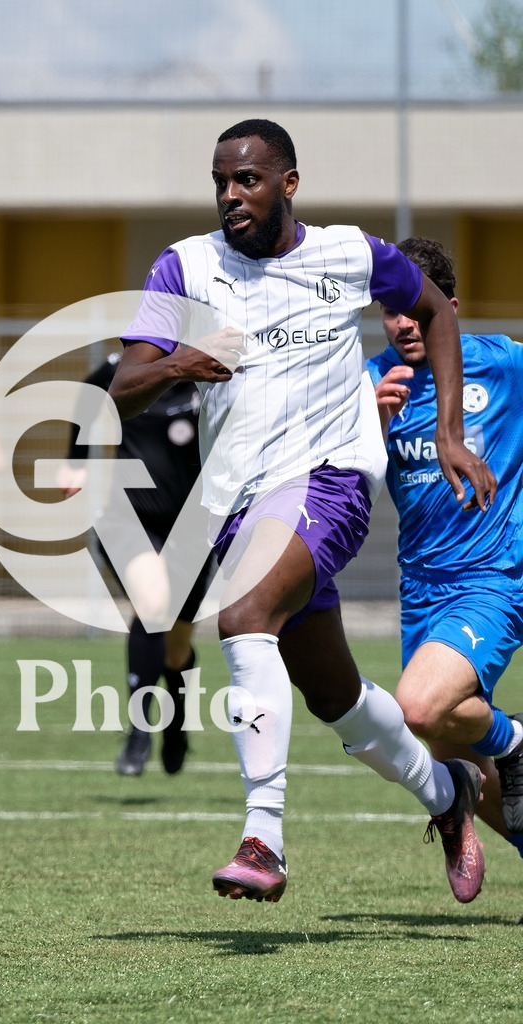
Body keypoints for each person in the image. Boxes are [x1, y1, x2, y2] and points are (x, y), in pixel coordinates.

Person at [107, 118, 497, 906]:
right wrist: (186, 358)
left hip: (331, 480)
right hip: (242, 504)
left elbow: (437, 311)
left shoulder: (350, 254)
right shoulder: (185, 266)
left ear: (288, 183)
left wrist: (450, 433)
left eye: (247, 180)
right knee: (339, 700)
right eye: (220, 181)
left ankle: (264, 838)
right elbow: (124, 387)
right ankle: (449, 795)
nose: (230, 196)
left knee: (245, 614)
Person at [369, 236, 523, 857]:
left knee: (419, 707)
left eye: (417, 308)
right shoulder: (375, 381)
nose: (404, 322)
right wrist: (368, 428)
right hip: (421, 589)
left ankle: (515, 740)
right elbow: (335, 483)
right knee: (448, 747)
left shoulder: (504, 364)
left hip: (494, 574)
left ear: (449, 309)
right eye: (390, 308)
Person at [57, 351, 216, 776]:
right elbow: (86, 402)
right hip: (126, 515)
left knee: (178, 646)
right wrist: (75, 463)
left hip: (192, 523)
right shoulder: (118, 371)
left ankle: (177, 722)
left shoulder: (212, 371)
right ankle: (139, 729)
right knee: (152, 604)